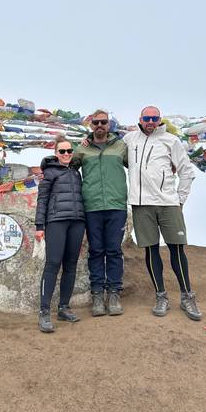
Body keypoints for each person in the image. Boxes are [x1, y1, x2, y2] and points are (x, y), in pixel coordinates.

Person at [123, 106, 202, 320]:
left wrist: (180, 199)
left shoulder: (171, 140)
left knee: (177, 250)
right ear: (140, 118)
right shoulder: (129, 139)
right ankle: (161, 296)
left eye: (154, 118)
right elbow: (109, 149)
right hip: (141, 205)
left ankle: (187, 296)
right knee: (151, 251)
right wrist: (85, 142)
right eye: (146, 118)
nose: (150, 121)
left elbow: (186, 171)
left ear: (159, 120)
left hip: (168, 203)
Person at [75, 109, 128, 317]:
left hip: (116, 206)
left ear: (109, 124)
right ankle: (97, 294)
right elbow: (66, 163)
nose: (99, 125)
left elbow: (139, 166)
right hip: (92, 206)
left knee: (114, 250)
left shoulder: (121, 147)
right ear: (91, 125)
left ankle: (114, 293)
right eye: (95, 122)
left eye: (103, 122)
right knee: (96, 250)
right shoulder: (82, 148)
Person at [35, 135, 85, 333]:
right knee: (53, 264)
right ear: (56, 154)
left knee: (71, 265)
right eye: (62, 151)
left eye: (69, 151)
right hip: (56, 221)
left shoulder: (76, 173)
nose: (66, 154)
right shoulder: (49, 173)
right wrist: (40, 225)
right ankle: (44, 311)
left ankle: (64, 307)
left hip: (77, 222)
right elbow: (42, 200)